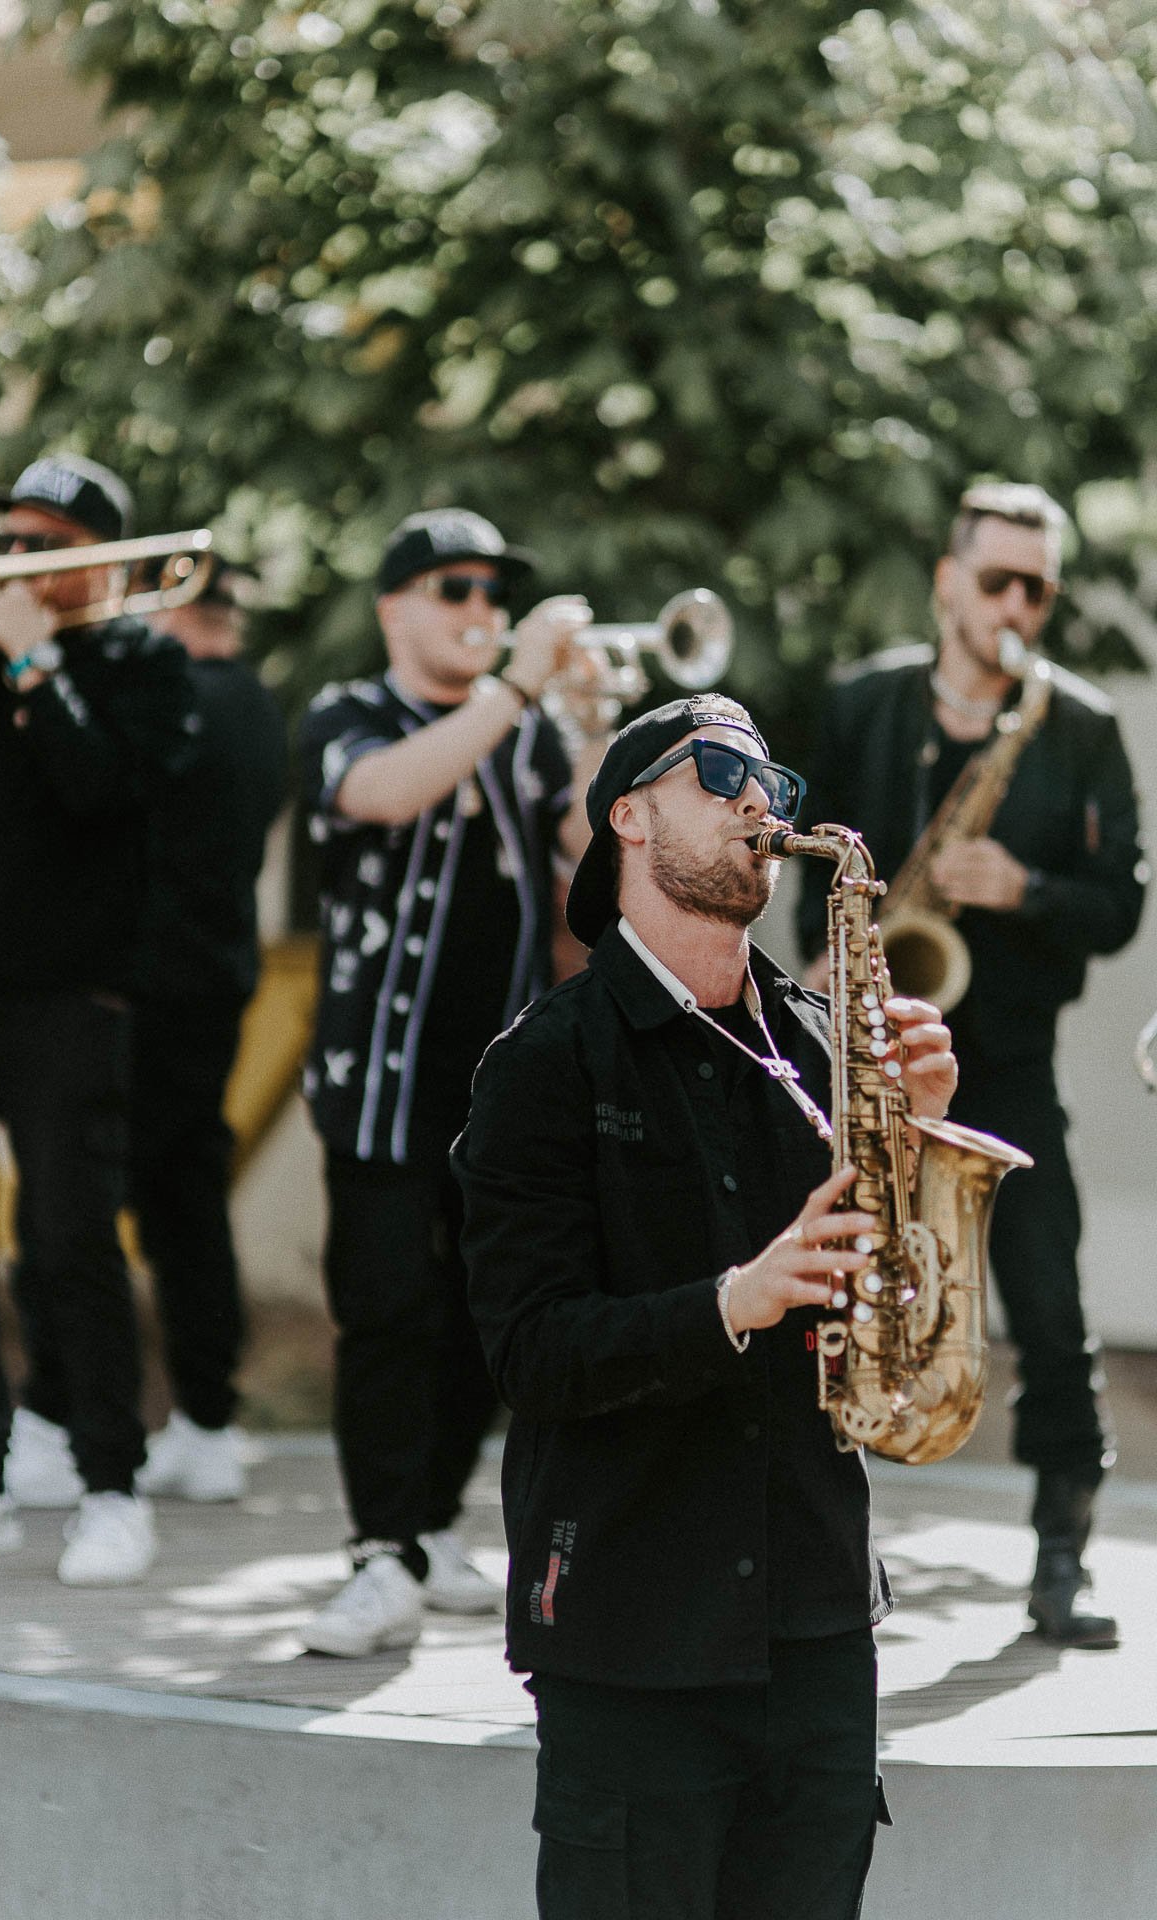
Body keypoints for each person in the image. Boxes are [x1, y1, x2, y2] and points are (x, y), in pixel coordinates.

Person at [452, 692, 958, 1920]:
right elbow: (529, 1352)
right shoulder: (541, 1064)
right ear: (627, 814)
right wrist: (732, 1303)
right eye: (720, 770)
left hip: (817, 1627)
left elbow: (887, 1301)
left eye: (772, 783)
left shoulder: (817, 1046)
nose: (757, 800)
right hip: (631, 1639)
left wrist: (923, 1140)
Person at [795, 481, 1146, 1648]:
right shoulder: (861, 704)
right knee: (828, 1299)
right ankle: (805, 1548)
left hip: (1004, 1065)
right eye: (993, 578)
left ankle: (1061, 1560)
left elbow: (1118, 906)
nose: (1012, 604)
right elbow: (812, 866)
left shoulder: (1078, 725)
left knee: (1049, 1312)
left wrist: (1025, 889)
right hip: (869, 1058)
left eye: (1033, 587)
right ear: (945, 580)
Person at [0, 454, 196, 1585]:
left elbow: (104, 789)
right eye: (5, 541)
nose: (9, 563)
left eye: (41, 546)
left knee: (68, 1240)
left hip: (66, 998)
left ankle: (112, 1483)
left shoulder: (144, 663)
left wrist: (30, 658)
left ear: (94, 563)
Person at [296, 507, 600, 1657]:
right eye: (453, 589)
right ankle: (376, 1555)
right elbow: (379, 794)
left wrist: (587, 724)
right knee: (382, 1312)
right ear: (393, 609)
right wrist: (515, 693)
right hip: (377, 1076)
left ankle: (426, 1528)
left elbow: (588, 859)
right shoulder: (348, 715)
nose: (480, 610)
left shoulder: (520, 731)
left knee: (492, 1317)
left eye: (492, 593)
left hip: (500, 1084)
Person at [3, 559, 289, 1506]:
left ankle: (55, 1417)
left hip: (138, 992)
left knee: (70, 1205)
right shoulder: (255, 704)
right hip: (214, 982)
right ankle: (207, 1417)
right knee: (185, 1198)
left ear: (171, 607)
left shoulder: (178, 698)